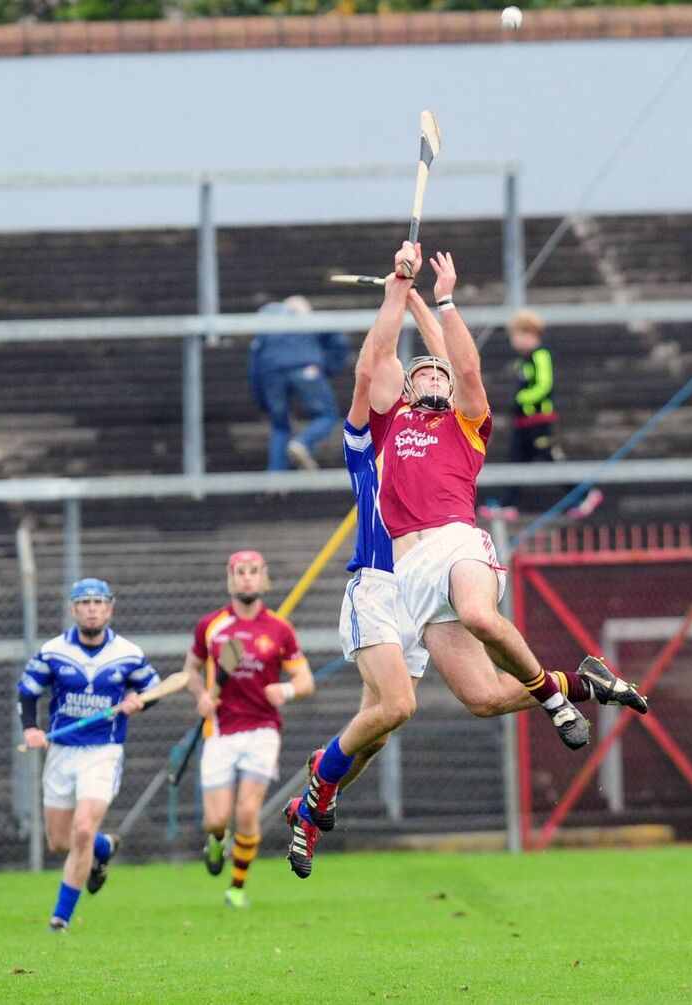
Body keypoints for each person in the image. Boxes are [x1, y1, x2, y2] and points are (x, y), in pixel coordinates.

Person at [284, 274, 646, 878]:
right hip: (392, 577)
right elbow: (377, 360)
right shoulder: (382, 427)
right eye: (420, 372)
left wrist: (439, 299)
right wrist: (400, 287)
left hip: (452, 544)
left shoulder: (464, 425)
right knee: (448, 706)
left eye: (437, 374)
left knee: (475, 622)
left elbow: (464, 365)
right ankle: (577, 683)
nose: (429, 375)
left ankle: (552, 702)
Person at [17, 578, 161, 932]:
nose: (92, 608)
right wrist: (31, 729)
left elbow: (154, 689)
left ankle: (60, 919)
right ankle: (103, 847)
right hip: (61, 753)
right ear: (73, 610)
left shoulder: (128, 653)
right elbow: (27, 691)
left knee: (81, 830)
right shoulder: (53, 651)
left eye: (99, 602)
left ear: (110, 608)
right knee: (60, 842)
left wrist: (137, 703)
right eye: (85, 602)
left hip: (103, 752)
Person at [183, 550, 315, 908]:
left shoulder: (279, 629)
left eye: (253, 571)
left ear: (263, 577)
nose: (247, 578)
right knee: (216, 819)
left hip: (262, 729)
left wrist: (285, 690)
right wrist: (202, 696)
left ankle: (236, 887)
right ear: (230, 578)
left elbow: (305, 679)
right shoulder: (211, 626)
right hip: (220, 731)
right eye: (240, 572)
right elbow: (191, 670)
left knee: (246, 812)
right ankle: (215, 842)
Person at [478, 309, 602, 521]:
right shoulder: (524, 360)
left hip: (539, 421)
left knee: (550, 459)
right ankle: (506, 502)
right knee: (516, 460)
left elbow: (544, 385)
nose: (514, 341)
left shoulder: (540, 355)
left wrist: (522, 399)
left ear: (530, 333)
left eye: (516, 336)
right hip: (524, 422)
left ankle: (584, 494)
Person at [247, 295, 349, 472]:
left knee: (280, 425)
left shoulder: (264, 327)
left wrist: (262, 403)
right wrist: (329, 367)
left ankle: (275, 479)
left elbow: (254, 367)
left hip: (271, 374)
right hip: (307, 369)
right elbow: (340, 341)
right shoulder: (305, 317)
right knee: (327, 415)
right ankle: (303, 442)